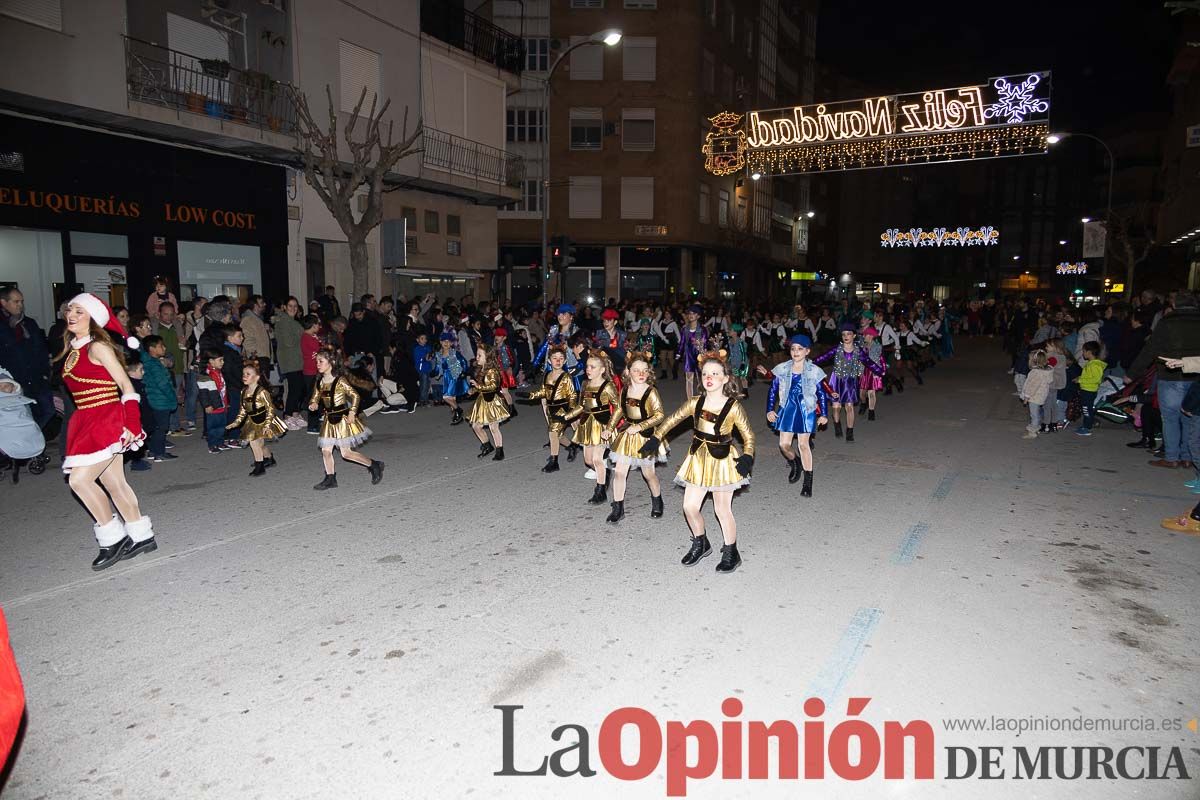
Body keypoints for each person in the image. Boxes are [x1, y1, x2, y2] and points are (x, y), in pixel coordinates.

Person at [54, 293, 156, 570]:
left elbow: (126, 385)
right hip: (86, 420)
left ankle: (112, 538)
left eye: (80, 311)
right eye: (70, 310)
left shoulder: (98, 347)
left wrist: (132, 424)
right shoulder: (73, 348)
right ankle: (141, 535)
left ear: (93, 318)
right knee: (114, 484)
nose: (72, 315)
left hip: (106, 419)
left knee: (79, 481)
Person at [642, 352, 755, 573]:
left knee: (722, 509)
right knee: (689, 506)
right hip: (698, 458)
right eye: (705, 374)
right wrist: (656, 437)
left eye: (715, 373)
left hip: (723, 460)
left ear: (725, 378)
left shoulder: (733, 407)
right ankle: (700, 541)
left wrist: (748, 455)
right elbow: (673, 419)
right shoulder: (696, 402)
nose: (709, 377)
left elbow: (748, 435)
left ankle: (732, 551)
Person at [1129, 292, 1200, 468]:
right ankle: (1188, 456)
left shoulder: (1168, 322)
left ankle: (1171, 457)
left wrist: (1133, 372)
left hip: (1171, 374)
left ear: (1175, 304)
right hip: (1195, 374)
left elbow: (1151, 348)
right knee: (1189, 417)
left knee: (1170, 418)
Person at [601, 350, 665, 523]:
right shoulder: (626, 390)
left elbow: (659, 415)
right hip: (627, 436)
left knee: (648, 474)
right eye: (636, 370)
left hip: (644, 436)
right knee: (620, 472)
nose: (641, 374)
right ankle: (618, 507)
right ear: (628, 372)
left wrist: (639, 426)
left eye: (645, 370)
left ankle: (657, 499)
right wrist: (609, 427)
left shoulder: (651, 392)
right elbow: (620, 410)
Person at [309, 346, 384, 489]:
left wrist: (352, 412)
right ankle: (330, 478)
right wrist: (313, 403)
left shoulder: (339, 380)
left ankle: (374, 465)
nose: (317, 364)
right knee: (326, 450)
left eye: (321, 361)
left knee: (346, 453)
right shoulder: (320, 381)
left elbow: (355, 396)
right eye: (317, 361)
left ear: (330, 361)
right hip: (329, 419)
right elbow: (316, 396)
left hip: (342, 419)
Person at [763, 334, 829, 496]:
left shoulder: (814, 371)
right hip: (788, 408)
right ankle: (795, 462)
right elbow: (772, 391)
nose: (796, 352)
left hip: (807, 409)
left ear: (807, 351)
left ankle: (807, 482)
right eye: (793, 349)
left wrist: (824, 414)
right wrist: (770, 409)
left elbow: (821, 393)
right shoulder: (783, 368)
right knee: (783, 445)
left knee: (803, 445)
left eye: (800, 349)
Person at [562, 349, 621, 504]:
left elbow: (619, 407)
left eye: (592, 367)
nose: (588, 369)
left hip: (602, 426)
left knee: (597, 459)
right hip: (588, 425)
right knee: (588, 460)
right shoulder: (585, 384)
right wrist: (566, 417)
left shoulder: (608, 386)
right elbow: (582, 406)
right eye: (587, 366)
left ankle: (600, 491)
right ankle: (605, 473)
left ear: (602, 370)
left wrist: (610, 428)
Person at [813, 323, 883, 442]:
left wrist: (880, 371)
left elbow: (868, 362)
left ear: (854, 336)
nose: (846, 336)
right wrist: (810, 362)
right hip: (836, 381)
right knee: (836, 408)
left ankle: (849, 432)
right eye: (844, 334)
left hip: (850, 382)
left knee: (849, 407)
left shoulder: (858, 351)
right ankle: (837, 424)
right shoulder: (837, 349)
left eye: (849, 334)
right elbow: (823, 357)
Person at [0, 287, 54, 428]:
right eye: (16, 301)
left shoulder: (29, 323)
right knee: (21, 418)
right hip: (13, 381)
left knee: (48, 411)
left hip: (37, 378)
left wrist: (45, 373)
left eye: (22, 301)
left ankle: (34, 437)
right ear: (3, 302)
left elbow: (41, 349)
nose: (20, 305)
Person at [226, 360, 286, 476]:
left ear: (257, 377)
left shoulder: (262, 392)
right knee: (260, 444)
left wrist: (267, 425)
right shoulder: (244, 391)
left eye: (248, 374)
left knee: (255, 443)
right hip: (252, 421)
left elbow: (270, 409)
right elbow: (243, 410)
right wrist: (236, 423)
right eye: (243, 374)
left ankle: (260, 466)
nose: (244, 376)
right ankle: (269, 458)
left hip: (264, 420)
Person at [526, 344, 580, 473]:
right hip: (551, 408)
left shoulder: (566, 377)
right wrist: (531, 395)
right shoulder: (547, 375)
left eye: (561, 358)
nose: (558, 361)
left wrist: (571, 410)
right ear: (549, 360)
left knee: (553, 432)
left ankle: (554, 461)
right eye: (555, 358)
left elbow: (572, 395)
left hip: (562, 409)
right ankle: (572, 446)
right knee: (559, 435)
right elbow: (544, 391)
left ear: (565, 361)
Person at [466, 344, 509, 461]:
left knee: (493, 427)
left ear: (488, 357)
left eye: (480, 355)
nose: (477, 357)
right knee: (476, 426)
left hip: (492, 402)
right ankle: (487, 445)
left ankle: (500, 450)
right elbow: (482, 385)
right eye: (477, 355)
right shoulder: (482, 370)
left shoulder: (492, 371)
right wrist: (473, 390)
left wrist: (477, 386)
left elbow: (492, 386)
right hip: (482, 401)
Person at [139, 335, 178, 462]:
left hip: (154, 398)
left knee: (156, 426)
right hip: (160, 399)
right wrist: (172, 397)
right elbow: (163, 384)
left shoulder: (149, 361)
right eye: (161, 346)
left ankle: (153, 450)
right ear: (152, 349)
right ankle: (159, 452)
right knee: (162, 427)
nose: (164, 348)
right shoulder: (154, 364)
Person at [273, 296, 306, 423]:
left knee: (298, 387)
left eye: (295, 306)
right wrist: (303, 337)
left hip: (296, 359)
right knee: (294, 388)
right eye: (290, 306)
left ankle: (295, 413)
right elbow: (288, 342)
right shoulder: (284, 321)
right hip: (290, 359)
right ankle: (287, 415)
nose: (293, 308)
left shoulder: (292, 321)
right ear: (285, 307)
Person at [197, 347, 230, 454]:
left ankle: (220, 442)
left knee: (221, 426)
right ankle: (212, 444)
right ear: (211, 361)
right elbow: (203, 393)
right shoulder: (206, 375)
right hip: (213, 407)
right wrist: (207, 405)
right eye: (220, 360)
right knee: (213, 428)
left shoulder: (218, 372)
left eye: (223, 360)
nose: (223, 362)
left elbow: (223, 389)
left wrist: (226, 403)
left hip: (222, 405)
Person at [433, 331, 471, 425]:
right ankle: (457, 416)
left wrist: (463, 371)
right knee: (452, 398)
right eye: (444, 341)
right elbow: (438, 367)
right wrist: (434, 373)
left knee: (446, 397)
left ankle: (458, 410)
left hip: (455, 376)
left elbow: (464, 362)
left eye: (448, 341)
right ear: (440, 342)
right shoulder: (439, 354)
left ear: (451, 343)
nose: (446, 343)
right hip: (447, 378)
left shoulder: (454, 353)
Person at [1020, 349, 1054, 440]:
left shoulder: (1036, 373)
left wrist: (1026, 397)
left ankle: (1032, 432)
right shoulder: (1046, 371)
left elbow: (1032, 386)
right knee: (1037, 413)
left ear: (1034, 361)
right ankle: (1037, 427)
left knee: (1034, 414)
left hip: (1034, 397)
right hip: (1041, 395)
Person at [677, 304, 709, 399]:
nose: (690, 315)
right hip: (688, 355)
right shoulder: (685, 329)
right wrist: (679, 353)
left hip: (700, 355)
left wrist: (703, 353)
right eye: (689, 313)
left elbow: (705, 343)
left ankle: (703, 398)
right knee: (689, 378)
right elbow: (682, 342)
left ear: (698, 316)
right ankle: (690, 400)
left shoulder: (702, 329)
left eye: (694, 313)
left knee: (701, 378)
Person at [240, 294, 272, 376]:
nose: (264, 304)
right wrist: (254, 357)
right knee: (259, 385)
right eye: (261, 303)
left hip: (262, 357)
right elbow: (247, 340)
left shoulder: (258, 319)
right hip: (258, 359)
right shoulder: (248, 320)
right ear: (255, 305)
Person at [594, 308, 628, 374]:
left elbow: (625, 351)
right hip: (604, 365)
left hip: (619, 365)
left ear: (615, 322)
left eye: (609, 320)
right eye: (604, 321)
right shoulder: (599, 333)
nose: (606, 323)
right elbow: (597, 350)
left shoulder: (622, 334)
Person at [413, 331, 434, 405]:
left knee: (427, 384)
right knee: (424, 384)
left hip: (428, 368)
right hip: (421, 369)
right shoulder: (417, 349)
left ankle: (425, 398)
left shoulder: (428, 347)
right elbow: (421, 358)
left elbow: (431, 356)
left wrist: (431, 355)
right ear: (417, 340)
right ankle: (422, 399)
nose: (424, 340)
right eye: (422, 338)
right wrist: (426, 357)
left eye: (425, 338)